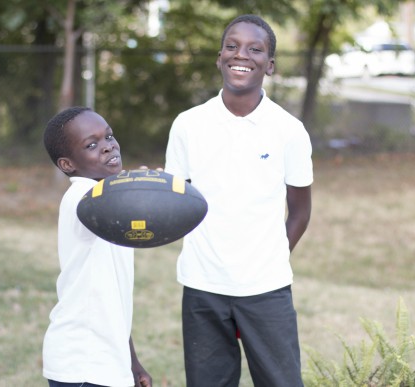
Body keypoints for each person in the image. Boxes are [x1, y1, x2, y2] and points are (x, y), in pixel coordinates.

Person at [164, 14, 313, 387]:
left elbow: (300, 211)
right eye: (231, 46)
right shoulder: (188, 125)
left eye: (254, 49)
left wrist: (271, 257)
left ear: (270, 65)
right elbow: (174, 202)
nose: (240, 55)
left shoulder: (289, 131)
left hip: (266, 288)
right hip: (203, 286)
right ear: (219, 58)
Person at [42, 106, 152, 387]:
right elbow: (114, 205)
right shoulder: (82, 196)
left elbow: (111, 300)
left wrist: (132, 363)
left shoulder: (107, 193)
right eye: (92, 145)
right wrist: (146, 188)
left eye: (109, 137)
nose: (107, 147)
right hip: (82, 364)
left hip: (108, 362)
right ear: (68, 164)